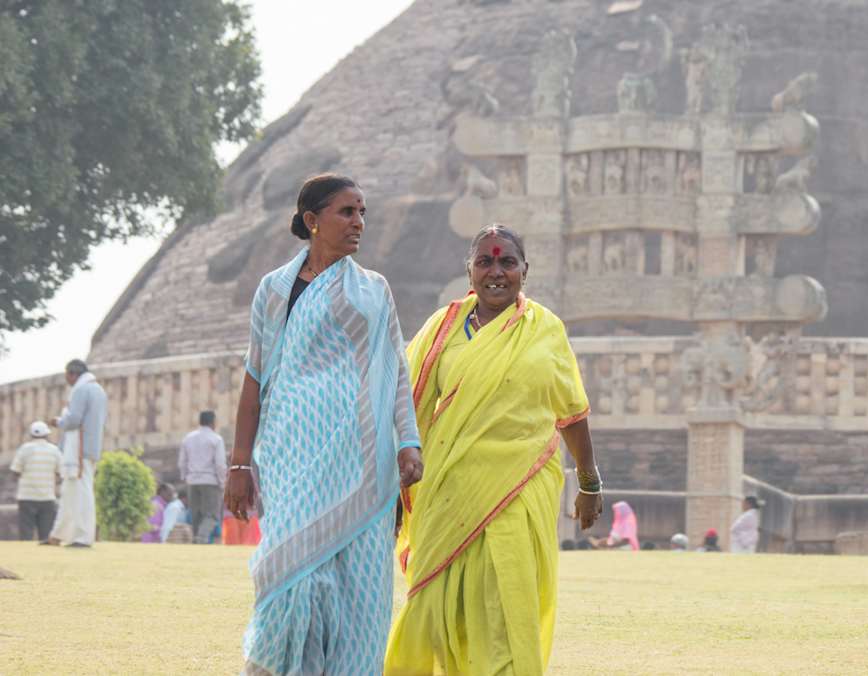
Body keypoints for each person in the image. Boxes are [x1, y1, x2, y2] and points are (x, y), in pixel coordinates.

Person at [224, 174, 424, 675]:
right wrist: (238, 463)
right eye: (346, 212)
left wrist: (409, 441)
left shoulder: (375, 290)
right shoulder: (274, 289)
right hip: (290, 453)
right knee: (292, 576)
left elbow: (396, 371)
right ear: (312, 221)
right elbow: (254, 380)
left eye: (362, 212)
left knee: (357, 586)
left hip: (361, 460)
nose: (358, 222)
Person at [384, 223, 603, 675]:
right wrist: (395, 493)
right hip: (449, 491)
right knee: (434, 609)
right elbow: (408, 409)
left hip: (519, 489)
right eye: (485, 261)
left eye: (507, 262)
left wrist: (588, 482)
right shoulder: (442, 329)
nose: (496, 272)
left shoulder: (545, 330)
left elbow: (572, 412)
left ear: (525, 270)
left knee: (507, 609)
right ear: (470, 271)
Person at [45, 359, 107, 548]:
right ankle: (59, 534)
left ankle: (82, 536)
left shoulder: (81, 390)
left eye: (67, 377)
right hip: (88, 446)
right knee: (70, 492)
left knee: (81, 492)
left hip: (79, 448)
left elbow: (74, 420)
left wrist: (58, 422)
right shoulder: (98, 390)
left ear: (73, 374)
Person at [178, 410, 227, 544]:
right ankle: (202, 538)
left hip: (192, 480)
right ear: (213, 422)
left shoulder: (188, 438)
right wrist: (222, 482)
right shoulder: (216, 439)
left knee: (196, 513)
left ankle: (197, 538)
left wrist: (185, 477)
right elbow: (220, 464)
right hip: (210, 481)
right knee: (211, 514)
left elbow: (182, 461)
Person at [9, 421, 62, 541]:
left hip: (26, 497)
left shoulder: (24, 449)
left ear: (31, 435)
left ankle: (25, 556)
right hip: (47, 497)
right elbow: (61, 472)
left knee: (26, 533)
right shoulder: (54, 450)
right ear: (46, 435)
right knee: (46, 533)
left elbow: (15, 472)